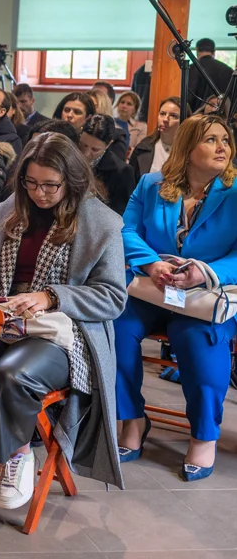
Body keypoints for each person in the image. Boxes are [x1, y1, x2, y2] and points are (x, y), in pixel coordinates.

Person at [0, 133, 126, 509]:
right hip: (0, 321)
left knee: (11, 375)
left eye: (50, 185)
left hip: (59, 334)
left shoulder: (100, 223)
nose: (39, 193)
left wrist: (51, 296)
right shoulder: (3, 213)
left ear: (73, 181)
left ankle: (17, 452)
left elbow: (113, 297)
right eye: (30, 183)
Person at [114, 114, 237, 482]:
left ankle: (204, 434)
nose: (222, 148)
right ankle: (132, 419)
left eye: (226, 140)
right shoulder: (152, 185)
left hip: (207, 294)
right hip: (153, 288)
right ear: (186, 148)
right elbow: (125, 231)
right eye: (211, 140)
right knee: (114, 327)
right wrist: (152, 265)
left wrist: (204, 271)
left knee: (194, 338)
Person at [80, 115, 135, 216]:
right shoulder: (71, 154)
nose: (86, 153)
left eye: (95, 149)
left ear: (109, 144)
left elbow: (120, 213)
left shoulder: (122, 171)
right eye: (84, 145)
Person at [129, 97, 184, 180]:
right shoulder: (142, 147)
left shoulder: (192, 151)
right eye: (162, 114)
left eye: (173, 116)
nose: (165, 119)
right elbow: (131, 184)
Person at [188, 38, 234, 112]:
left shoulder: (191, 69)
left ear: (197, 50)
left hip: (197, 117)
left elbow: (188, 97)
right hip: (223, 116)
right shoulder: (228, 70)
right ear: (214, 51)